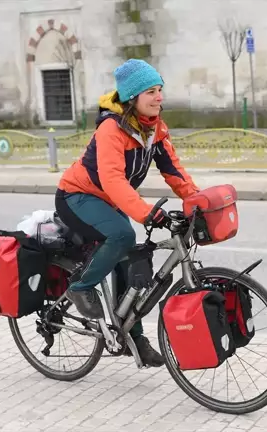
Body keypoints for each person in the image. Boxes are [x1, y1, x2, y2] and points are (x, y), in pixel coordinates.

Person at [55, 59, 200, 367]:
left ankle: (131, 335)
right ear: (133, 97)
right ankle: (80, 287)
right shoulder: (111, 129)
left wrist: (196, 200)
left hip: (108, 201)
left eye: (160, 89)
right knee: (122, 235)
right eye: (150, 91)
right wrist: (147, 214)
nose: (159, 97)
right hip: (76, 196)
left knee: (131, 259)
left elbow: (173, 170)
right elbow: (112, 180)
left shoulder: (154, 128)